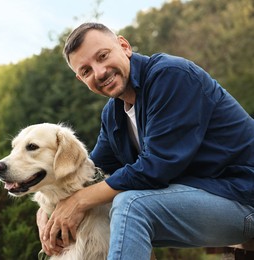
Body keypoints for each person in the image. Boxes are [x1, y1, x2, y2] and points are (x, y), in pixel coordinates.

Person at [36, 22, 254, 260]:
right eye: (86, 71)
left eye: (103, 56)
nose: (99, 72)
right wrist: (47, 211)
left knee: (130, 205)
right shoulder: (113, 114)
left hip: (243, 198)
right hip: (208, 204)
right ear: (81, 80)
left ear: (124, 46)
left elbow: (156, 167)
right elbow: (90, 173)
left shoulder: (170, 76)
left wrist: (78, 201)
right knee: (104, 208)